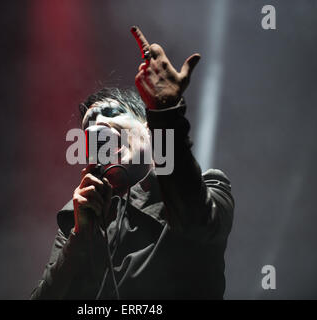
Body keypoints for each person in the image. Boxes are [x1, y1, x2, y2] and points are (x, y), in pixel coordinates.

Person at [31, 26, 234, 300]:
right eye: (89, 124)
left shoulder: (207, 187)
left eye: (112, 112)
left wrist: (165, 113)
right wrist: (80, 239)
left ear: (148, 129)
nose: (97, 124)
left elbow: (198, 223)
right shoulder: (77, 220)